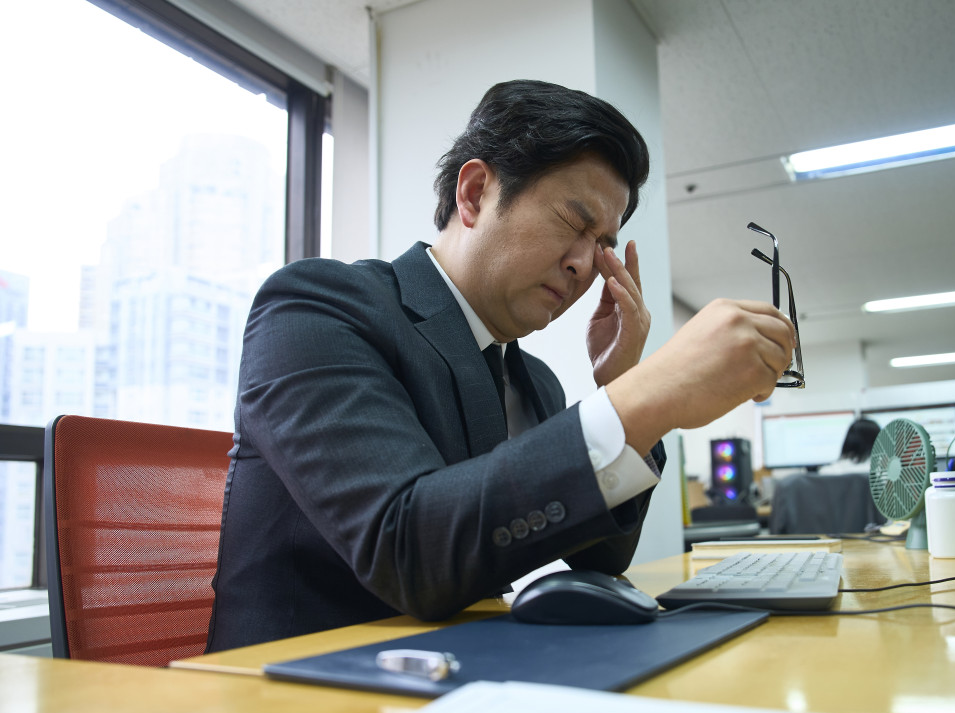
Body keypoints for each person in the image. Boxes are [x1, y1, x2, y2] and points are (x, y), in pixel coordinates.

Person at [205, 80, 795, 651]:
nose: (583, 264)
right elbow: (406, 548)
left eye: (602, 246)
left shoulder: (534, 381)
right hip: (298, 690)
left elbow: (602, 556)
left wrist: (619, 388)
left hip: (461, 673)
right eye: (573, 223)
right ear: (474, 194)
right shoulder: (317, 307)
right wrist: (649, 394)